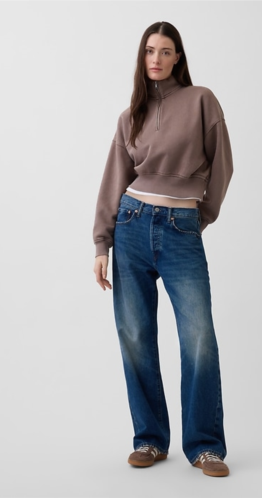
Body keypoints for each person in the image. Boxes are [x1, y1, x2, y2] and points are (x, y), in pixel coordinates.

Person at [93, 21, 233, 478]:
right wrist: (101, 243)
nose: (156, 58)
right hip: (130, 226)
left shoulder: (201, 101)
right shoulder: (129, 116)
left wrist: (198, 217)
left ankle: (205, 446)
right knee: (135, 336)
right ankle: (150, 439)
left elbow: (223, 166)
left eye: (165, 51)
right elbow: (114, 180)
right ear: (143, 56)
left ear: (178, 57)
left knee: (198, 336)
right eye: (149, 50)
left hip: (180, 228)